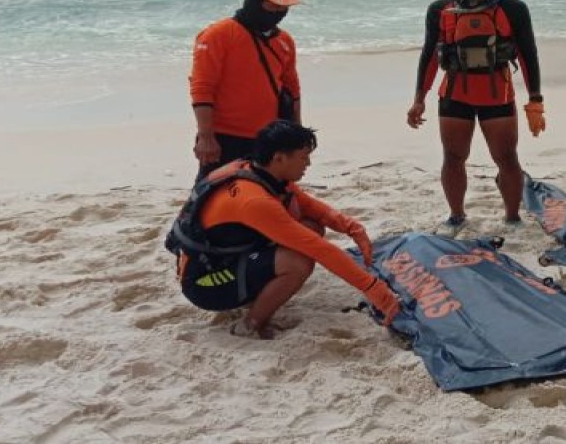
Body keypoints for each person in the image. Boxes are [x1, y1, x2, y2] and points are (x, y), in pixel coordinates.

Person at [165, 120, 402, 339]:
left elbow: (310, 206)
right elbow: (320, 250)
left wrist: (352, 228)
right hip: (205, 283)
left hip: (224, 257)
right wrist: (377, 291)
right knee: (298, 261)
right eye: (303, 157)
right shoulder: (254, 201)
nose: (308, 164)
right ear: (279, 158)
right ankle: (251, 325)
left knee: (311, 225)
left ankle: (257, 295)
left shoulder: (257, 170)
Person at [407, 0, 545, 233]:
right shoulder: (440, 9)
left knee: (507, 158)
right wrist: (419, 99)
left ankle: (512, 217)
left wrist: (536, 101)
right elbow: (430, 54)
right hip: (455, 94)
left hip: (498, 94)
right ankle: (456, 216)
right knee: (453, 158)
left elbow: (528, 54)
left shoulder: (513, 8)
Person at [189, 0, 302, 182]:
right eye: (273, 6)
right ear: (254, 1)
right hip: (224, 137)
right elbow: (202, 87)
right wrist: (206, 137)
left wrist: (297, 133)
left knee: (271, 194)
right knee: (211, 194)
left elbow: (292, 89)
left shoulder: (285, 41)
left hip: (269, 138)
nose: (279, 12)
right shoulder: (218, 35)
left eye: (284, 7)